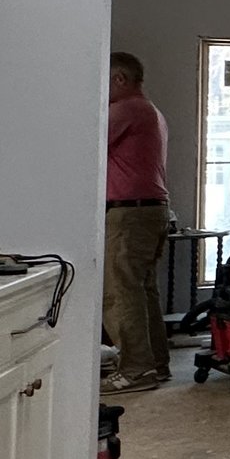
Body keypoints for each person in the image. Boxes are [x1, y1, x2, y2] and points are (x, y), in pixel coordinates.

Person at [104, 50, 173, 393]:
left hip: (129, 213)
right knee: (143, 290)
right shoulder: (151, 111)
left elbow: (85, 144)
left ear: (120, 79)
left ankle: (136, 369)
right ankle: (155, 364)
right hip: (151, 209)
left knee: (121, 292)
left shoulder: (125, 110)